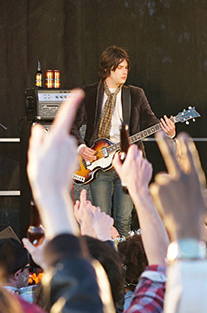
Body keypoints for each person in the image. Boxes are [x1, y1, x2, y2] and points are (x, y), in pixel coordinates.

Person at [72, 46, 176, 236]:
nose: (124, 72)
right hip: (98, 163)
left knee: (124, 219)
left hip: (128, 164)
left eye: (126, 67)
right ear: (107, 69)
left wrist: (168, 132)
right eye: (119, 67)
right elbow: (72, 126)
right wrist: (81, 148)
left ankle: (125, 254)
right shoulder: (89, 93)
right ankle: (106, 252)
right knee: (101, 219)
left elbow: (151, 121)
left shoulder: (135, 94)